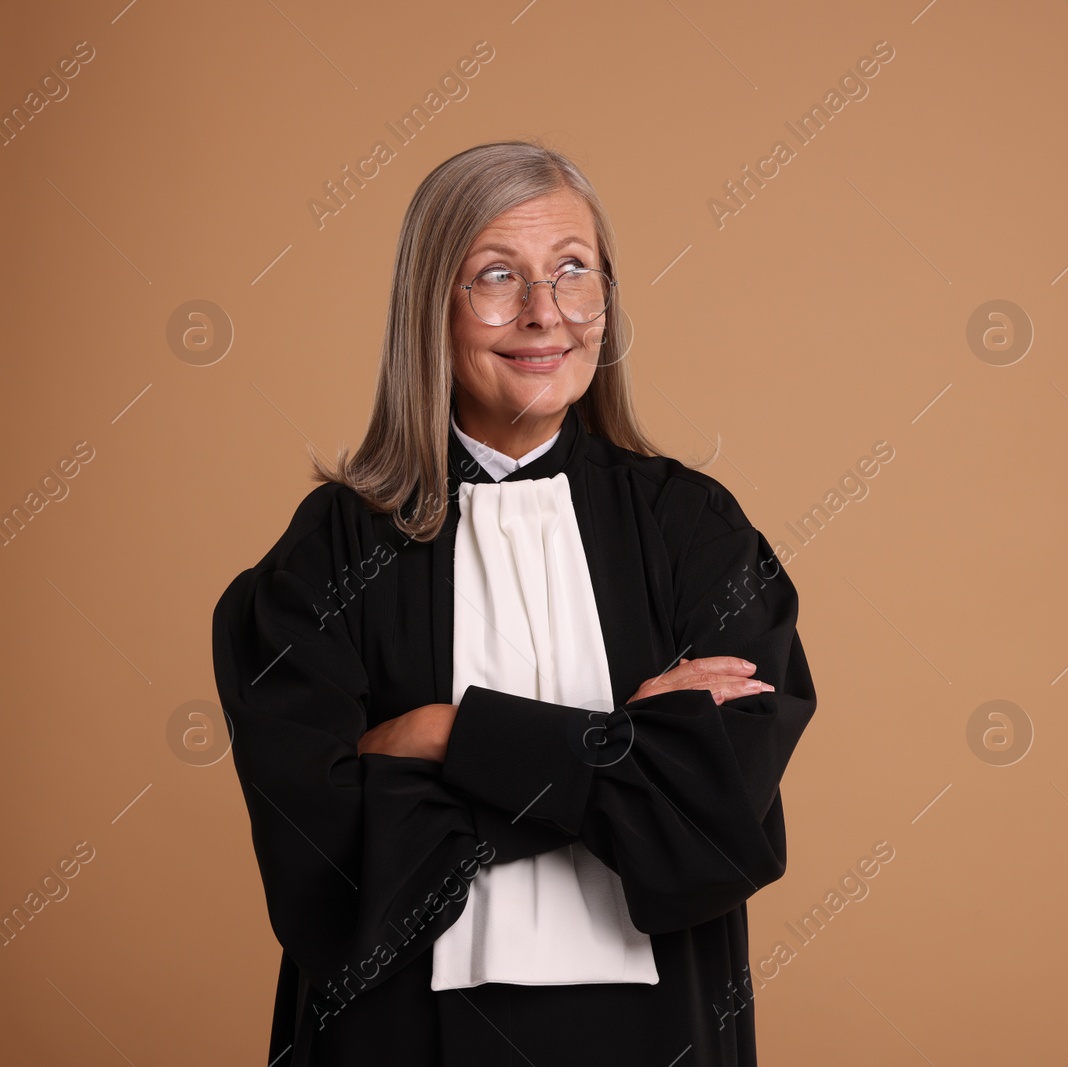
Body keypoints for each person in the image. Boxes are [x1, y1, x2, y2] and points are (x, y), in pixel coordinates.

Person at [211, 139, 817, 1067]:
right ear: (430, 310)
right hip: (399, 1039)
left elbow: (709, 825)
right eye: (496, 275)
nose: (545, 314)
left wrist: (448, 738)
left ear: (606, 301)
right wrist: (624, 745)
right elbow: (325, 859)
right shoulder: (329, 551)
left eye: (574, 270)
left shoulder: (696, 529)